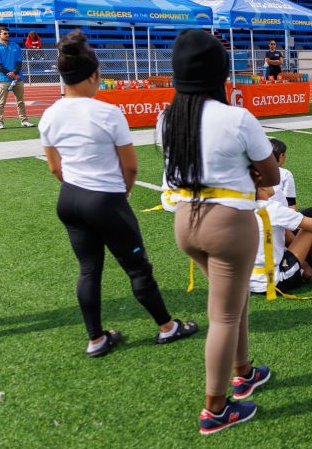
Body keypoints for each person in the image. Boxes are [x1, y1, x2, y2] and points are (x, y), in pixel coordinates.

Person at [39, 31, 197, 357]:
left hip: (69, 199)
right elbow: (131, 168)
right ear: (93, 75)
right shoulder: (107, 112)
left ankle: (96, 339)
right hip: (104, 199)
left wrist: (80, 189)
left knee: (88, 270)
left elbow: (54, 168)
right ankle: (167, 327)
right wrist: (118, 195)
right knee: (137, 267)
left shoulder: (50, 114)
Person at [160, 28, 281, 436]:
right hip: (228, 223)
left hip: (186, 220)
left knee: (234, 300)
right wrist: (248, 170)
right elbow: (272, 174)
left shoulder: (167, 117)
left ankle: (244, 372)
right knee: (225, 314)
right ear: (220, 73)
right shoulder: (235, 117)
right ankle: (215, 408)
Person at [250, 185, 312, 298]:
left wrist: (301, 260)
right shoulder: (272, 208)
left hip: (246, 279)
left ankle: (306, 264)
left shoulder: (240, 208)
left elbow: (289, 240)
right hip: (272, 280)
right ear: (261, 187)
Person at [0, 25, 32, 130]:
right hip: (3, 78)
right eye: (5, 33)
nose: (7, 35)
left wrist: (14, 73)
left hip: (17, 77)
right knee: (1, 101)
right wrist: (10, 73)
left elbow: (19, 62)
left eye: (8, 33)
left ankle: (24, 120)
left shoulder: (15, 46)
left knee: (20, 101)